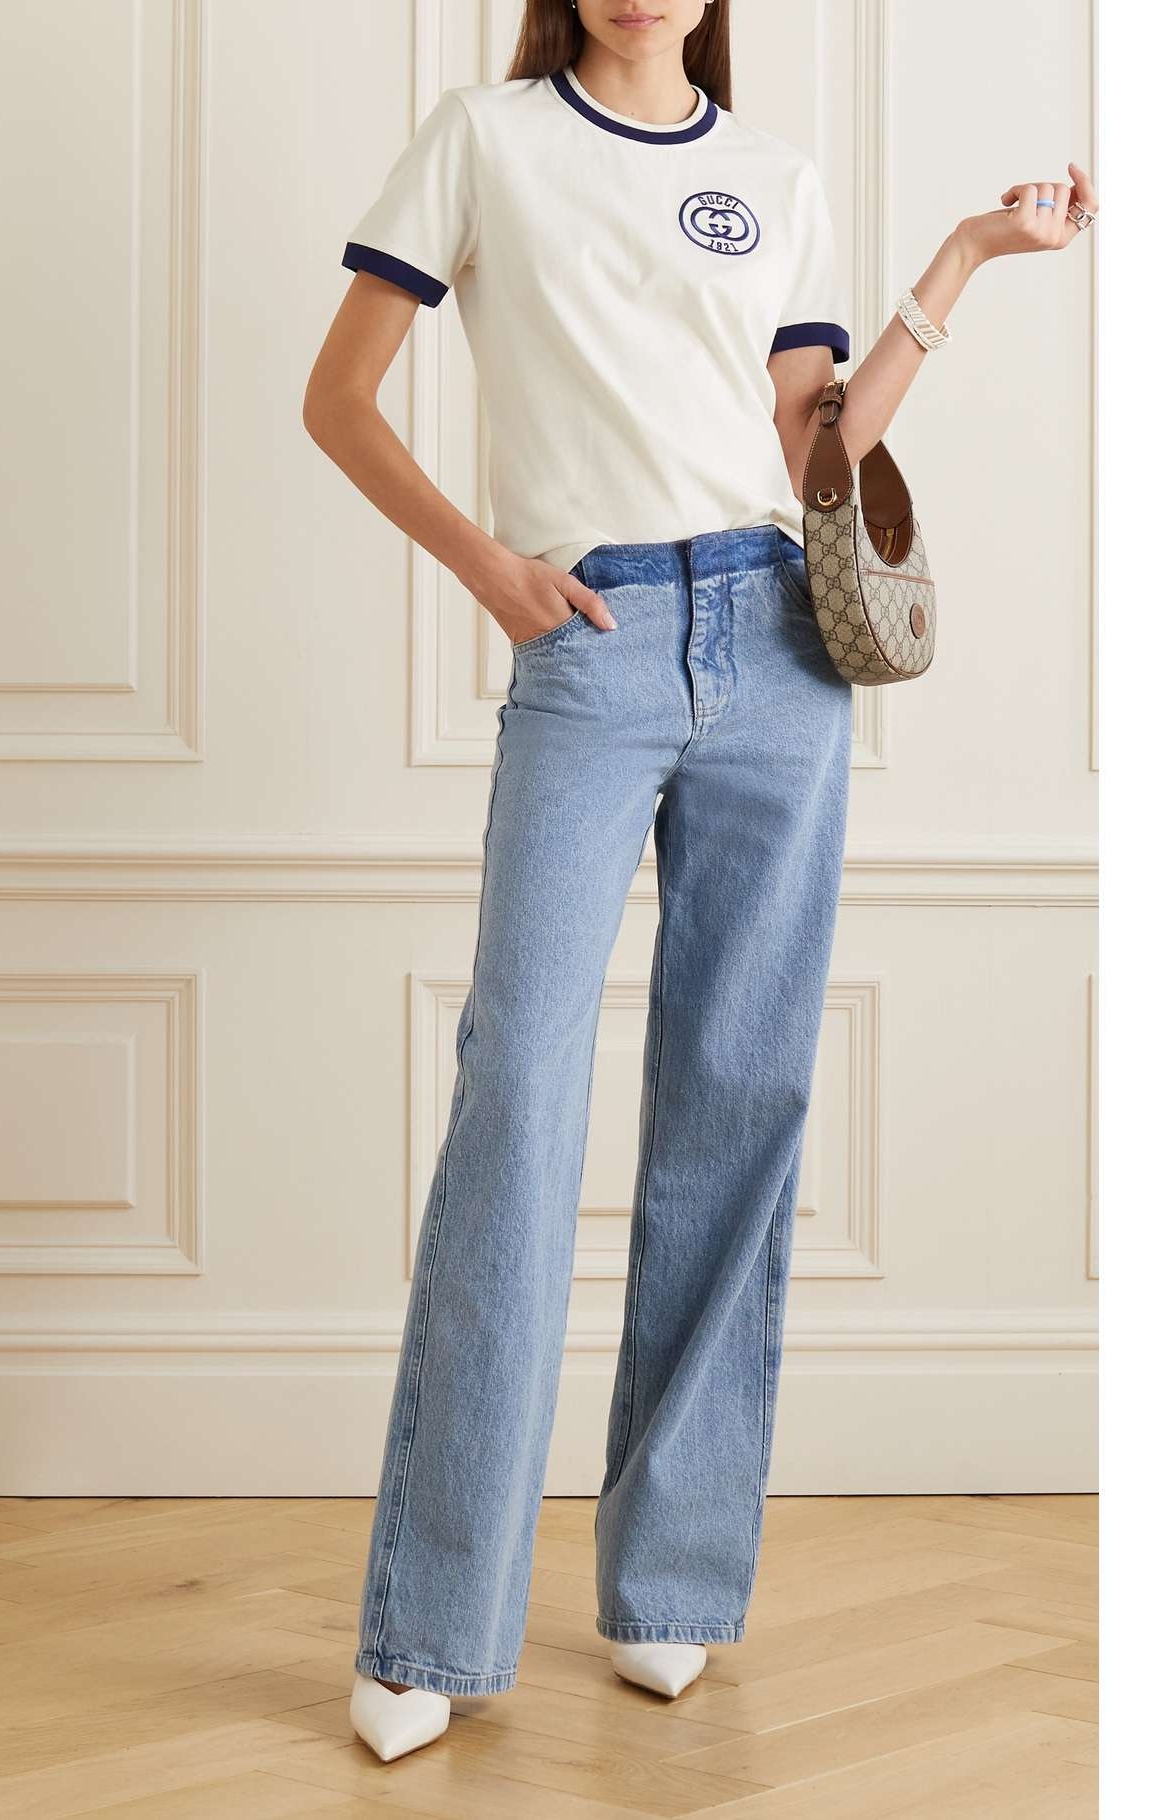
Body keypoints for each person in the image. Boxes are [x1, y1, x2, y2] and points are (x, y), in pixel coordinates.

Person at [303, 0, 1096, 1765]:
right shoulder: (484, 137)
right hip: (588, 636)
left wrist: (963, 257)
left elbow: (818, 442)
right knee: (518, 1099)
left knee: (737, 1101)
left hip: (779, 647)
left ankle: (666, 1581)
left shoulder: (773, 176)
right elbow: (335, 401)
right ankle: (433, 1624)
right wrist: (489, 571)